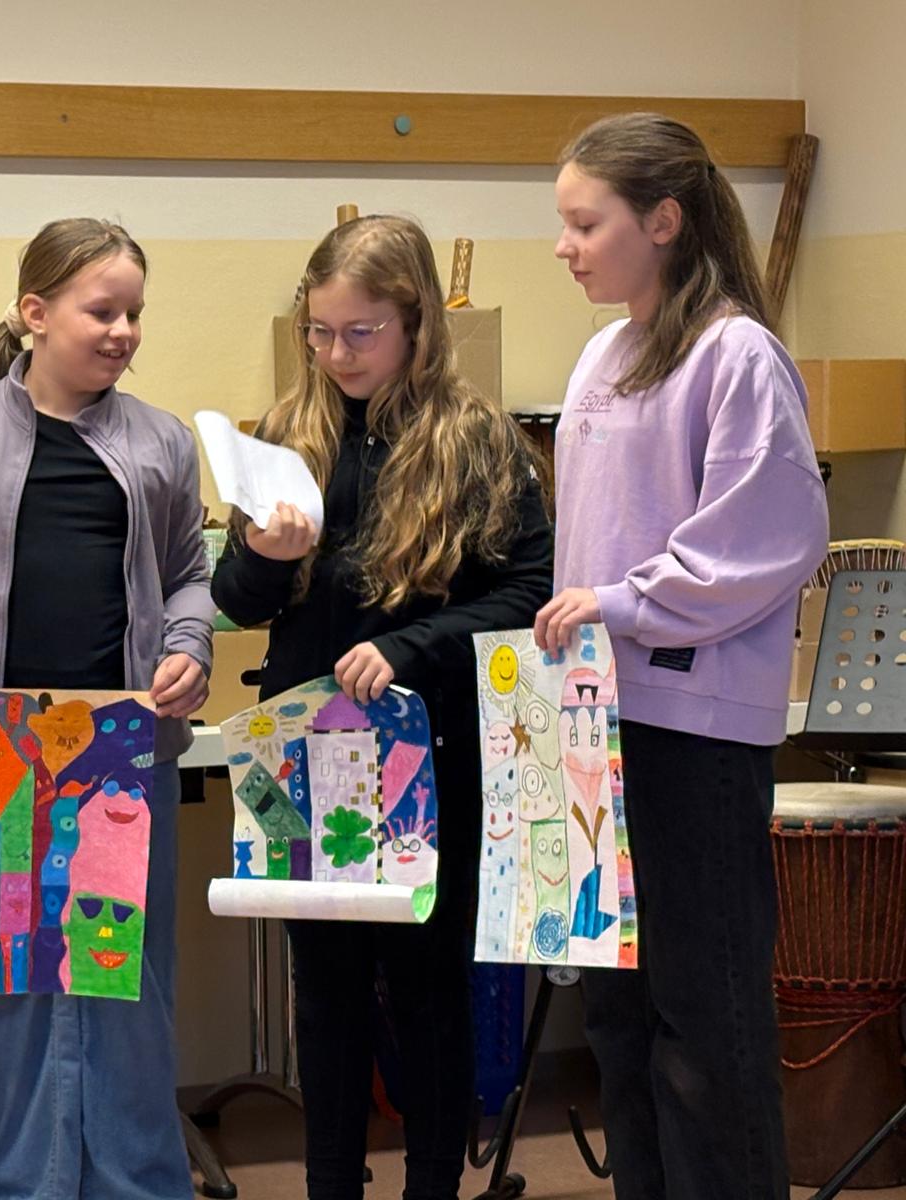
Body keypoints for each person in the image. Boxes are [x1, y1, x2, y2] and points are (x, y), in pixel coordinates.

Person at [212, 213, 553, 1200]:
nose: (336, 354)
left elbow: (529, 590)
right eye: (318, 332)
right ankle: (331, 1186)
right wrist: (259, 557)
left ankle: (433, 1186)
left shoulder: (476, 440)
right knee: (324, 995)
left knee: (426, 990)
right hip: (301, 752)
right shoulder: (287, 435)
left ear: (414, 323)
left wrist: (409, 646)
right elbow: (237, 601)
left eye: (360, 333)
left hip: (427, 753)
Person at [0, 217, 213, 1199]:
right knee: (11, 986)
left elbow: (190, 577)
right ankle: (26, 1184)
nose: (123, 332)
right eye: (101, 311)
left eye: (134, 314)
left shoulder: (162, 441)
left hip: (120, 748)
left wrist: (189, 647)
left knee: (125, 991)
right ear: (35, 313)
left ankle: (139, 1185)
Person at [535, 112, 829, 1200]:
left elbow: (767, 539)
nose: (564, 247)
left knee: (706, 1022)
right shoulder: (602, 353)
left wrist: (620, 603)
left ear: (662, 221)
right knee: (619, 1020)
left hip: (693, 735)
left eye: (585, 224)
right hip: (596, 722)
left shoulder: (736, 353)